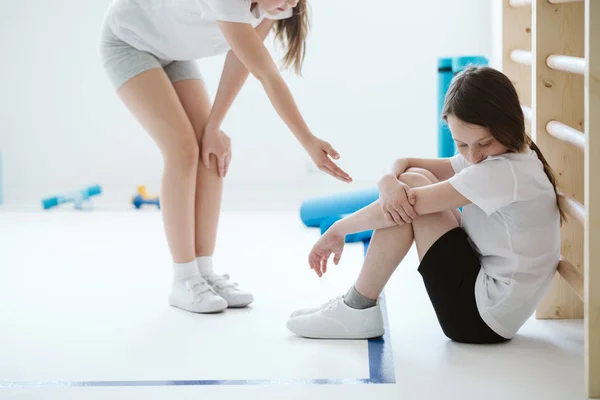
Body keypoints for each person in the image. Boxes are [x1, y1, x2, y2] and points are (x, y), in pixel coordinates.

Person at [98, 0, 352, 314]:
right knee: (182, 149)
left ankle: (203, 272)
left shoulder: (277, 5)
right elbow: (268, 74)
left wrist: (214, 126)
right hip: (128, 40)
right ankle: (183, 278)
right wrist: (308, 140)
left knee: (211, 149)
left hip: (171, 51)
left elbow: (241, 59)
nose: (290, 4)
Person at [286, 66, 564, 343]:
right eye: (461, 145)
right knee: (413, 180)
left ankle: (357, 307)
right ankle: (356, 306)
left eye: (484, 143)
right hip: (495, 310)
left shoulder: (502, 172)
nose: (473, 156)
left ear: (507, 124)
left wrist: (339, 228)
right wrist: (387, 179)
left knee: (411, 190)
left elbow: (410, 201)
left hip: (478, 319)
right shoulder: (511, 157)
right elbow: (407, 163)